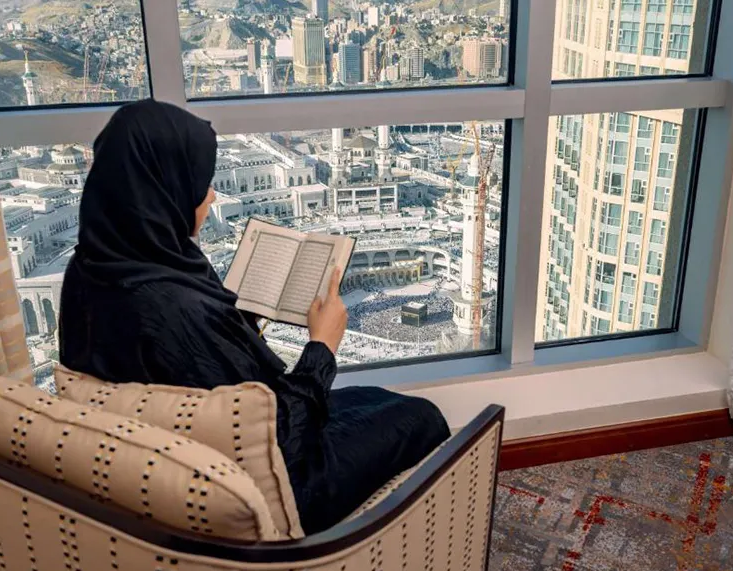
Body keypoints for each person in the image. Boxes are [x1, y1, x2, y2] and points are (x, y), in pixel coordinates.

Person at [58, 100, 450, 534]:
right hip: (269, 484)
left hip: (175, 459)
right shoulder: (173, 308)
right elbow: (281, 438)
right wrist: (323, 345)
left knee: (377, 398)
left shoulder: (95, 268)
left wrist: (234, 323)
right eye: (199, 183)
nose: (209, 195)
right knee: (422, 417)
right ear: (165, 190)